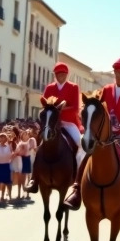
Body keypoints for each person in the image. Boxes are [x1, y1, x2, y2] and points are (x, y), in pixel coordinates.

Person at [63, 57, 120, 224]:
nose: (118, 75)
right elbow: (96, 108)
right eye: (116, 73)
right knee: (84, 152)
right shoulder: (105, 90)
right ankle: (76, 189)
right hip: (104, 136)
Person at [26, 63, 83, 193]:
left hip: (68, 123)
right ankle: (34, 178)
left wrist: (58, 110)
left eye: (63, 74)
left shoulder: (73, 87)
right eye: (58, 74)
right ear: (55, 75)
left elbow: (75, 108)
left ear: (66, 75)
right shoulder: (50, 87)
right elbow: (45, 106)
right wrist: (53, 112)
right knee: (39, 146)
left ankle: (78, 180)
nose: (60, 76)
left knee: (79, 145)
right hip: (51, 123)